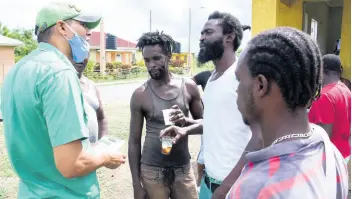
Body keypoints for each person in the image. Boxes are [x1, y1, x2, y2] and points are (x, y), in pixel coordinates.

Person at [1, 2, 126, 198]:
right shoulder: (59, 72)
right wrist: (105, 155)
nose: (88, 33)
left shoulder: (17, 70)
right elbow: (72, 164)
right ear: (62, 27)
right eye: (84, 25)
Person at [225, 27, 348, 198]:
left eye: (239, 80)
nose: (237, 90)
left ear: (261, 85)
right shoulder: (329, 150)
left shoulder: (254, 189)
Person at [160, 12, 262, 199]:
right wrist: (187, 127)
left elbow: (260, 136)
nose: (201, 38)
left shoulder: (243, 77)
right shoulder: (213, 78)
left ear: (229, 37)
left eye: (207, 32)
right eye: (201, 33)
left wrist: (226, 186)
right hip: (209, 183)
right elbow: (217, 122)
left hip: (235, 187)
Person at [128, 31, 204, 199]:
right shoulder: (140, 94)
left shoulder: (188, 87)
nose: (151, 65)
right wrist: (136, 185)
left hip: (183, 169)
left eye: (156, 58)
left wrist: (185, 122)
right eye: (147, 60)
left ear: (169, 56)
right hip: (152, 171)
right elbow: (134, 141)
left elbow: (205, 125)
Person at [309, 54, 351, 164]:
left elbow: (324, 135)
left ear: (321, 70)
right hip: (343, 153)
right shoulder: (346, 90)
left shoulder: (324, 96)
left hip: (327, 158)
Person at [72, 31, 108, 143]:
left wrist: (103, 144)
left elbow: (102, 118)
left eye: (84, 54)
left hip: (94, 156)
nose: (80, 59)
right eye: (75, 54)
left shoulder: (92, 86)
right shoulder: (61, 85)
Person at [191, 70, 212, 188]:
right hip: (208, 122)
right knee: (203, 155)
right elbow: (187, 84)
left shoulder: (235, 75)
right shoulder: (207, 75)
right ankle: (199, 184)